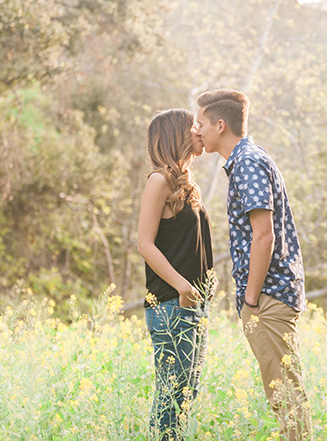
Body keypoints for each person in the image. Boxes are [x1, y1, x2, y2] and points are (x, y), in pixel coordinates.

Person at [195, 89, 312, 440]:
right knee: (282, 392)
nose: (195, 131)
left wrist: (250, 299)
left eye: (199, 123)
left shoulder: (247, 162)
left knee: (286, 394)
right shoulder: (245, 161)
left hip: (270, 296)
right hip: (270, 294)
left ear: (220, 125)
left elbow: (265, 236)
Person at [137, 108, 215, 441]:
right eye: (192, 126)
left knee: (185, 397)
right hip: (171, 306)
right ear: (176, 134)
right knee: (171, 400)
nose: (199, 130)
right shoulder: (159, 181)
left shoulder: (187, 184)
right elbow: (144, 244)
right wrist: (183, 286)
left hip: (193, 305)